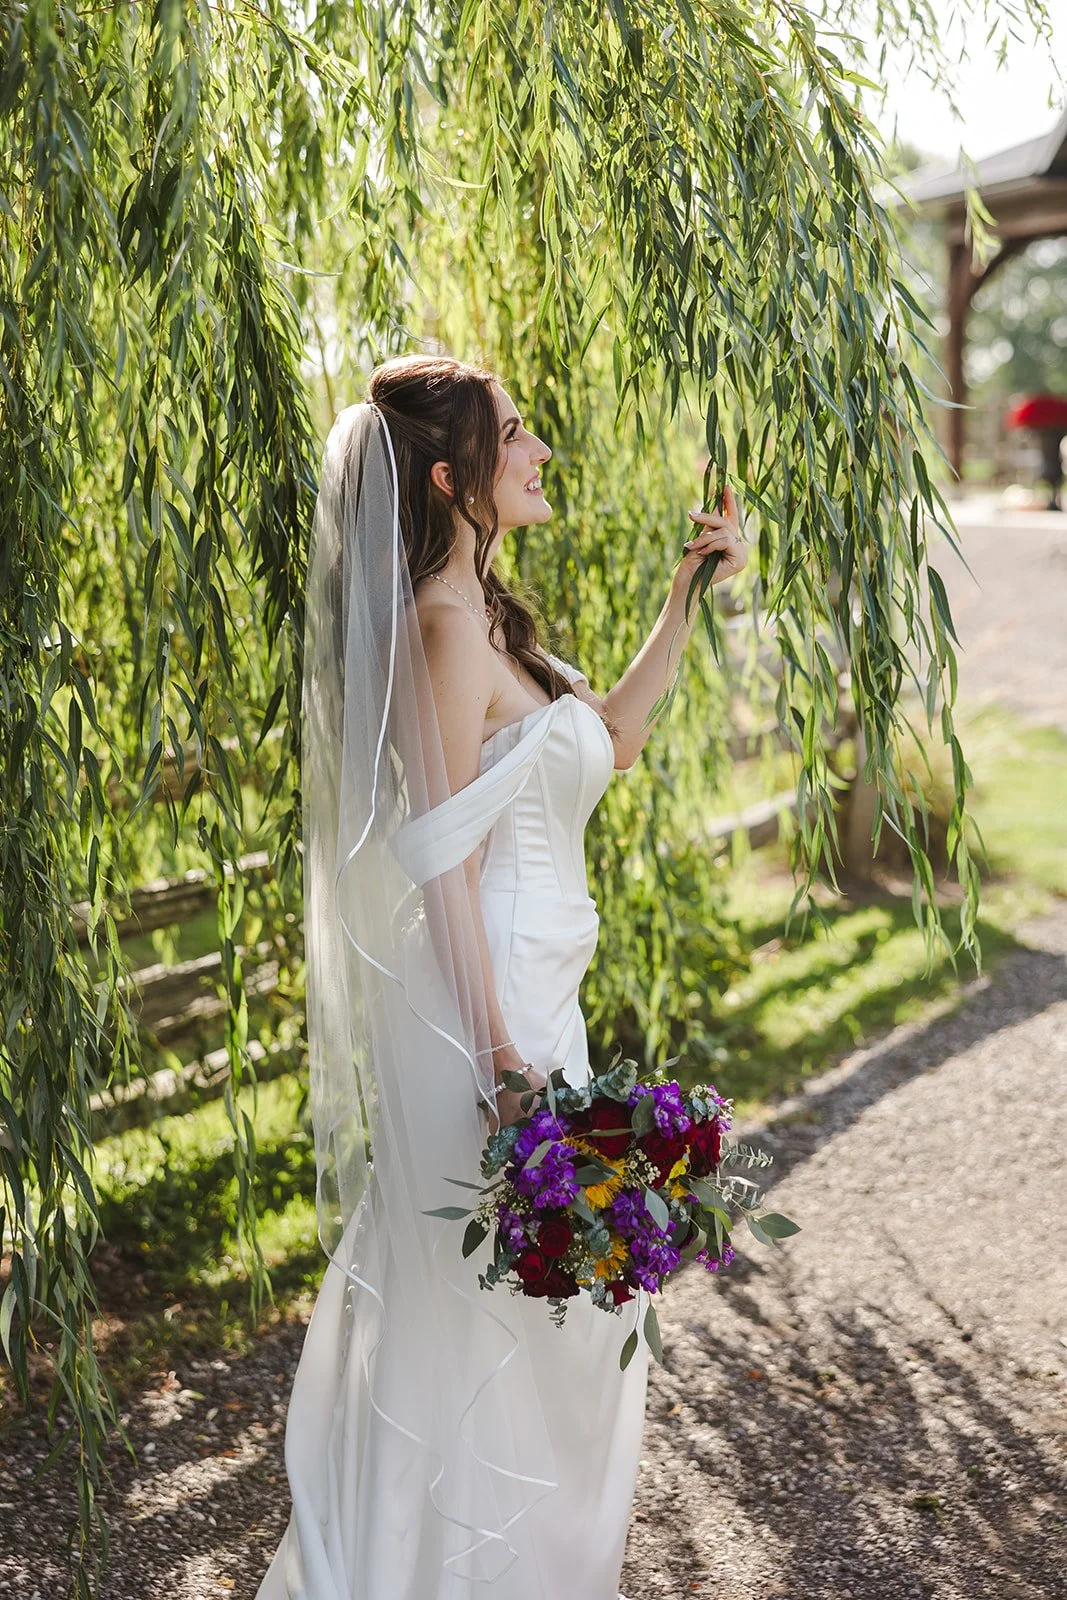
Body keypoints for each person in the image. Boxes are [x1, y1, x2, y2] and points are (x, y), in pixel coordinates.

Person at [255, 354, 744, 1600]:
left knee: (573, 1332)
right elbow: (437, 870)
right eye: (512, 436)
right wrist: (495, 1059)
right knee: (478, 1335)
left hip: (541, 1012)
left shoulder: (495, 617)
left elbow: (614, 739)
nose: (535, 452)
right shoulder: (435, 625)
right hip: (480, 1020)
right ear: (448, 475)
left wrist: (686, 589)